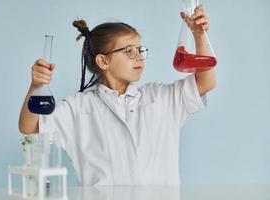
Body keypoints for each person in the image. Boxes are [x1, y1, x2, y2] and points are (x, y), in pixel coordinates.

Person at [19, 5, 216, 186]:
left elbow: (205, 82)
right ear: (103, 61)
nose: (138, 56)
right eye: (129, 51)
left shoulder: (160, 98)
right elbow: (29, 127)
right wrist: (36, 86)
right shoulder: (78, 108)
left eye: (140, 50)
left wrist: (199, 36)